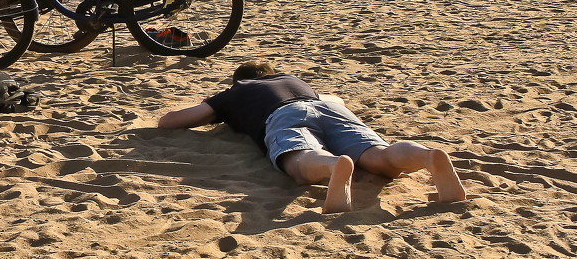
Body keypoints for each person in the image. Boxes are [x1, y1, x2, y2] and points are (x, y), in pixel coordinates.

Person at [157, 61, 466, 214]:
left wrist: (219, 110)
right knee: (378, 156)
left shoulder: (237, 90)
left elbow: (172, 122)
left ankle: (332, 165)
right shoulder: (294, 80)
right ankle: (426, 157)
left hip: (282, 116)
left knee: (297, 159)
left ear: (241, 79)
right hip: (326, 107)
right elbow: (337, 101)